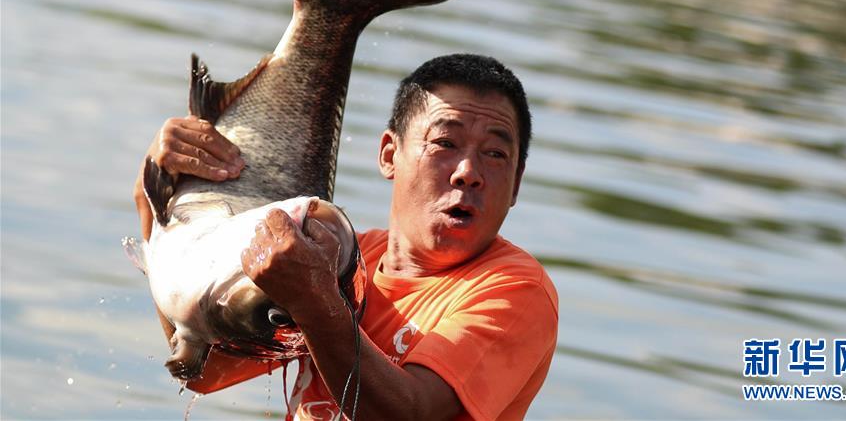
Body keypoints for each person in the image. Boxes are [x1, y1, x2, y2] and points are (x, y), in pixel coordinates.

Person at [134, 53, 559, 420]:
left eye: (495, 154)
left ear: (516, 184)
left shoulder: (517, 290)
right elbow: (204, 371)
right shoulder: (346, 255)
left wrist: (315, 301)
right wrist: (154, 201)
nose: (468, 172)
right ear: (390, 155)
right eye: (445, 142)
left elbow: (409, 414)